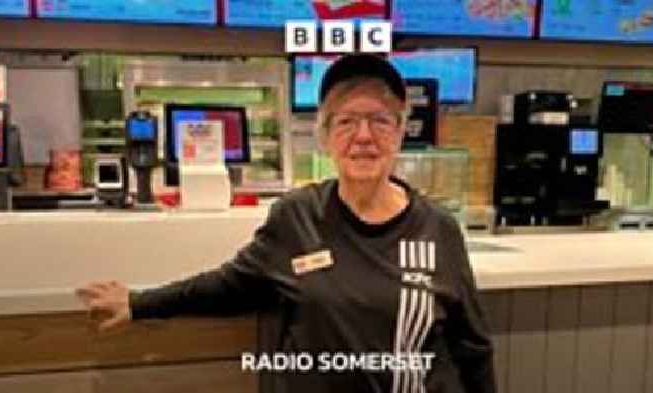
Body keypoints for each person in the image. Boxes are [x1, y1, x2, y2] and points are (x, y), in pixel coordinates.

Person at [76, 54, 496, 393]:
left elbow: (472, 347)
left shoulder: (437, 228)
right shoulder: (296, 217)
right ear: (325, 136)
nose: (363, 136)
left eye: (380, 120)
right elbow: (230, 285)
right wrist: (138, 303)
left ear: (401, 133)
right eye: (346, 121)